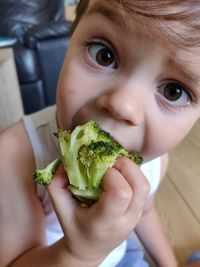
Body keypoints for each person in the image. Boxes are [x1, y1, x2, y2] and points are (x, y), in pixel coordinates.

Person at [1, 0, 200, 266]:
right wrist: (80, 252)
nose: (123, 105)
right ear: (71, 39)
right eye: (103, 54)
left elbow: (144, 212)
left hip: (122, 255)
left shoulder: (155, 163)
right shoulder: (12, 157)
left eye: (173, 92)